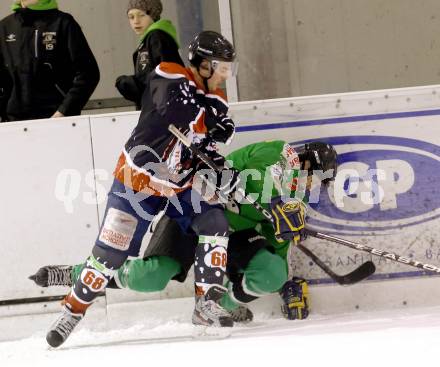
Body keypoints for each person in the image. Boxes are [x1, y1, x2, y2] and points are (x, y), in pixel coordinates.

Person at [44, 30, 239, 348]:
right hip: (139, 181)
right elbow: (175, 113)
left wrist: (221, 166)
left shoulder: (217, 96)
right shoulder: (170, 73)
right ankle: (72, 309)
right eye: (222, 66)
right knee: (110, 255)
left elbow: (207, 144)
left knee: (215, 222)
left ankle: (206, 306)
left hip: (180, 184)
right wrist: (208, 129)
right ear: (203, 64)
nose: (226, 74)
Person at [31, 140, 338, 323]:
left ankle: (220, 303)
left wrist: (283, 281)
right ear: (308, 164)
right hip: (195, 213)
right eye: (318, 178)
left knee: (272, 272)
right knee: (149, 279)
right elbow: (231, 166)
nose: (315, 186)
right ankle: (76, 274)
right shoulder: (277, 154)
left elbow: (276, 247)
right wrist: (258, 196)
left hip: (232, 236)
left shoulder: (296, 203)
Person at [0, 0, 100, 122]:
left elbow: (89, 73)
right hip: (14, 123)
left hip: (57, 121)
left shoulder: (63, 22)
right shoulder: (4, 26)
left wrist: (64, 111)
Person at [116, 0, 184, 109]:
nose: (136, 21)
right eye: (131, 17)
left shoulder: (156, 37)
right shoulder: (152, 38)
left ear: (153, 15)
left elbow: (167, 78)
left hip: (160, 112)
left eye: (141, 15)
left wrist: (129, 84)